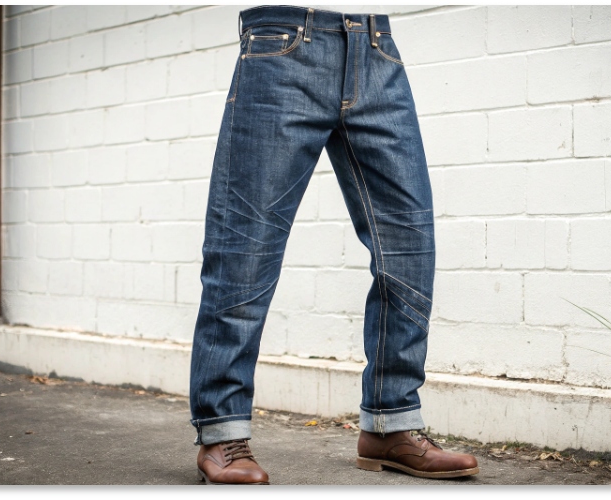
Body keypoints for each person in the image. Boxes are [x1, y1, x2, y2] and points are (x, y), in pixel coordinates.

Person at [189, 5, 478, 484]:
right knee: (246, 245)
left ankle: (391, 425)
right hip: (282, 47)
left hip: (376, 48)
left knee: (408, 243)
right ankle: (223, 431)